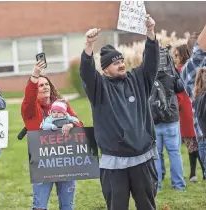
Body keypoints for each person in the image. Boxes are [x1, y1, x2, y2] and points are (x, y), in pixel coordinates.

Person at [79, 15, 159, 210]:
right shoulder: (99, 88)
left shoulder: (139, 79)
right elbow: (87, 73)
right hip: (114, 162)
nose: (121, 64)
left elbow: (151, 63)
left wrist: (150, 34)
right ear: (105, 70)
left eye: (122, 60)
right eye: (115, 63)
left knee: (147, 205)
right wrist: (89, 47)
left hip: (142, 157)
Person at [21, 61, 83, 210]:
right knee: (40, 206)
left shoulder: (62, 105)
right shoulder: (30, 110)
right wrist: (35, 76)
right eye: (41, 85)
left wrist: (71, 125)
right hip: (43, 163)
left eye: (47, 84)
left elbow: (79, 123)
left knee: (67, 206)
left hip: (65, 161)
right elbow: (28, 97)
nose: (45, 86)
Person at [150, 45, 186, 191]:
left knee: (156, 155)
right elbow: (180, 87)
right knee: (174, 152)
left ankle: (156, 187)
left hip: (154, 118)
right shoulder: (171, 71)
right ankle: (179, 186)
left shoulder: (147, 71)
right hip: (171, 116)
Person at [175, 44, 205, 181]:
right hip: (190, 114)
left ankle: (195, 173)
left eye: (176, 55)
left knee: (193, 146)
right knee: (194, 146)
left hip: (188, 115)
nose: (175, 58)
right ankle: (197, 173)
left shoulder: (183, 72)